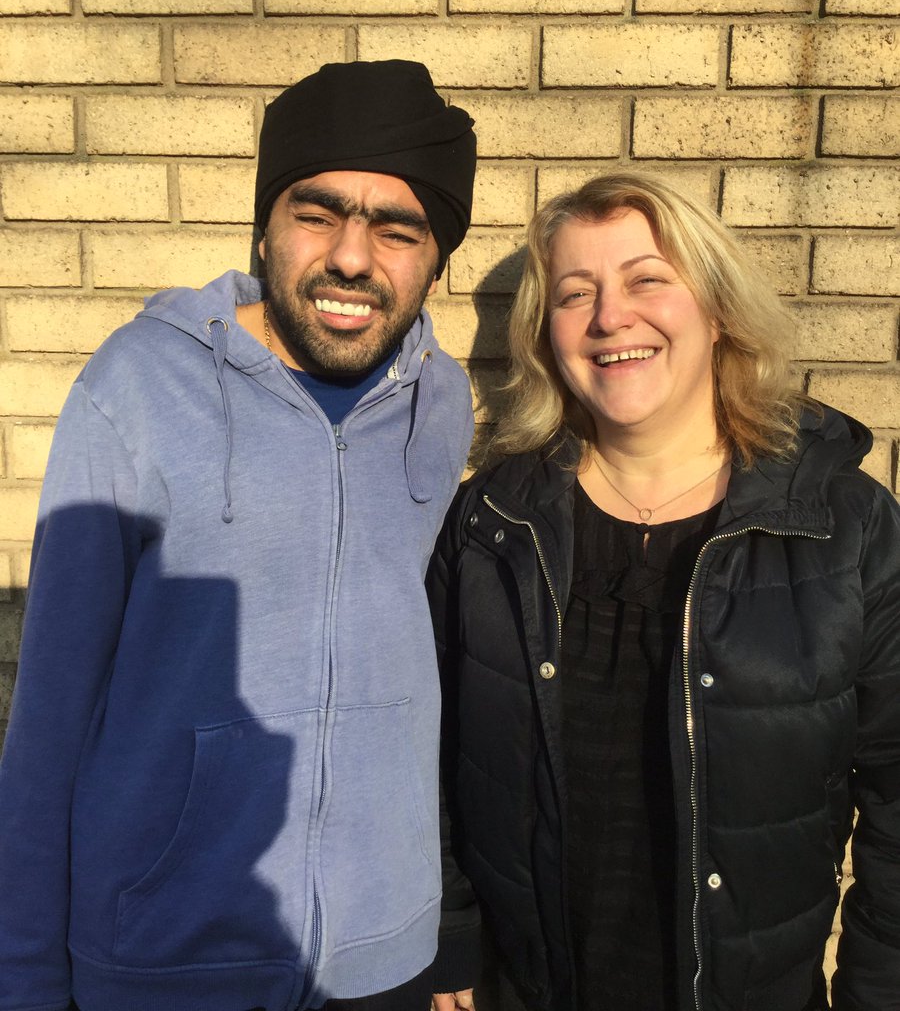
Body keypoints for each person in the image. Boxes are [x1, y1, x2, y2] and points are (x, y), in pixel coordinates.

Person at [0, 60, 478, 1011]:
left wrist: (439, 930)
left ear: (436, 259)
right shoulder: (136, 388)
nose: (352, 257)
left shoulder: (443, 404)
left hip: (380, 966)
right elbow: (49, 715)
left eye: (397, 228)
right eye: (318, 212)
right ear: (266, 224)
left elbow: (415, 688)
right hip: (164, 961)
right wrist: (22, 979)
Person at [428, 172, 900, 1011]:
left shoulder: (844, 526)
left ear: (716, 311)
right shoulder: (494, 523)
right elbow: (427, 751)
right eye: (577, 294)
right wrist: (450, 935)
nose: (611, 318)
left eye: (648, 279)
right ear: (547, 335)